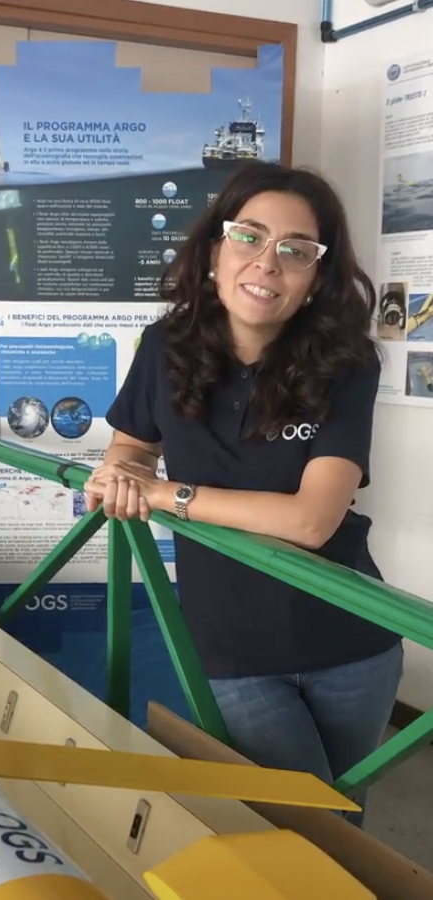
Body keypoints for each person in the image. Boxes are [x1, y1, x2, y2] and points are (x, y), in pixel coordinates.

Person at [83, 161, 403, 827]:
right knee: (304, 829)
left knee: (345, 825)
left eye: (296, 250)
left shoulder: (347, 363)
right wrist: (121, 473)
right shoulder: (165, 347)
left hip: (354, 639)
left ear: (316, 277)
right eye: (249, 236)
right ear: (212, 251)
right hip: (231, 647)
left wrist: (167, 494)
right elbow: (131, 446)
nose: (268, 263)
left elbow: (312, 522)